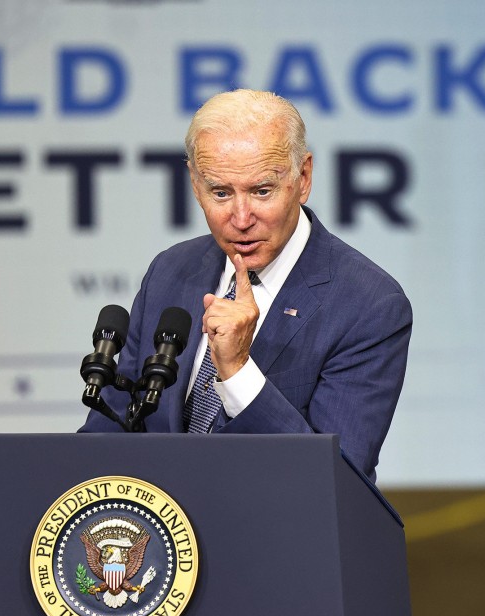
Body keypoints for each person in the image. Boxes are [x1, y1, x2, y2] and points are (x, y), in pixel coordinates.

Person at [81, 89, 411, 482]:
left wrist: (238, 371)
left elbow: (336, 480)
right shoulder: (171, 271)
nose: (240, 218)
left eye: (261, 191)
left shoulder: (368, 304)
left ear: (303, 178)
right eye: (220, 193)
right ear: (194, 184)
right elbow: (110, 433)